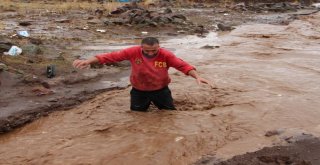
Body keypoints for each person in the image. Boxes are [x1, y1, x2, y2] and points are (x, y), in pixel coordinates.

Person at [73, 37, 213, 112]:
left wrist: (197, 76)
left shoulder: (166, 55)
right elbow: (110, 56)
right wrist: (88, 61)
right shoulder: (133, 51)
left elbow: (182, 65)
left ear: (159, 47)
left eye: (154, 50)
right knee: (137, 116)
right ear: (141, 48)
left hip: (161, 91)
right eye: (147, 50)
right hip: (139, 91)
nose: (150, 53)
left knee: (169, 115)